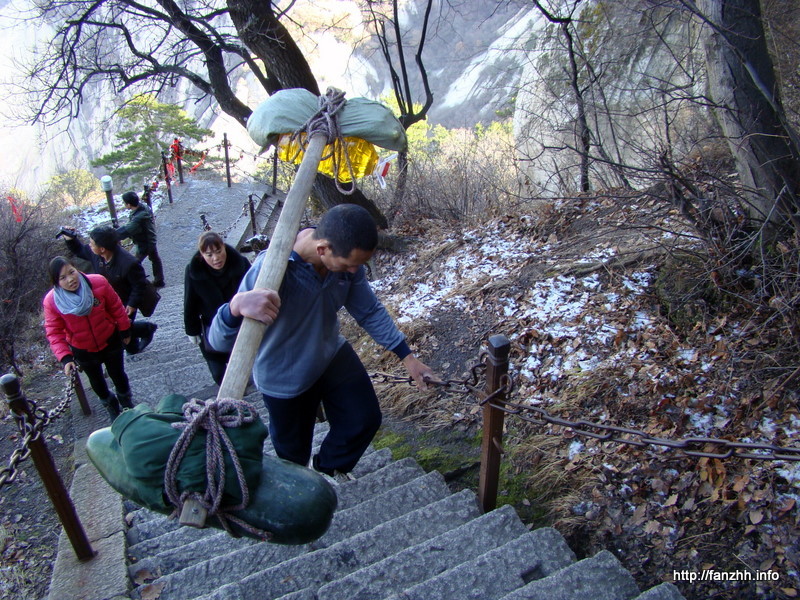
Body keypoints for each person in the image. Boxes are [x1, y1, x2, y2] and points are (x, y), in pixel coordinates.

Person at [208, 204, 437, 482]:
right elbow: (218, 341)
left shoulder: (347, 263)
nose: (355, 272)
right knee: (292, 456)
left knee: (363, 418)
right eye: (350, 264)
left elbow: (368, 310)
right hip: (284, 376)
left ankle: (328, 467)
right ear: (322, 250)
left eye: (360, 264)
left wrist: (408, 358)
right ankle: (302, 490)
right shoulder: (270, 271)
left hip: (330, 354)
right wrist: (234, 308)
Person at [43, 256, 134, 419]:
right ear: (56, 282)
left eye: (72, 272)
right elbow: (54, 331)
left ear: (77, 269)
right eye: (63, 278)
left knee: (118, 374)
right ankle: (111, 405)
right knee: (97, 382)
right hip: (83, 349)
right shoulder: (52, 302)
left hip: (109, 339)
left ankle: (127, 403)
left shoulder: (98, 282)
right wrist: (65, 358)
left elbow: (116, 306)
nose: (71, 279)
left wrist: (125, 330)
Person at [60, 226, 158, 354]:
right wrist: (70, 238)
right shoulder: (96, 254)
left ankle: (145, 330)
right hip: (104, 300)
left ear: (102, 248)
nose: (89, 246)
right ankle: (145, 329)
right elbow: (79, 250)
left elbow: (139, 285)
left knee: (126, 338)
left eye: (91, 243)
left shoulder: (128, 263)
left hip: (124, 302)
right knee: (114, 329)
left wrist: (132, 304)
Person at [183, 231, 251, 385]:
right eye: (209, 255)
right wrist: (192, 330)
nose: (216, 258)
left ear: (224, 247)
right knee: (218, 373)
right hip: (210, 325)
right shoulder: (193, 272)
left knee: (241, 365)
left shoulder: (241, 264)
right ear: (202, 255)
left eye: (218, 251)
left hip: (239, 326)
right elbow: (189, 301)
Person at [117, 191, 165, 288]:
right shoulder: (143, 208)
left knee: (134, 264)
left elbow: (128, 229)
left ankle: (140, 285)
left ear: (129, 204)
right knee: (155, 259)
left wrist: (112, 235)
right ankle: (159, 280)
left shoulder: (138, 217)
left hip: (145, 242)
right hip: (150, 239)